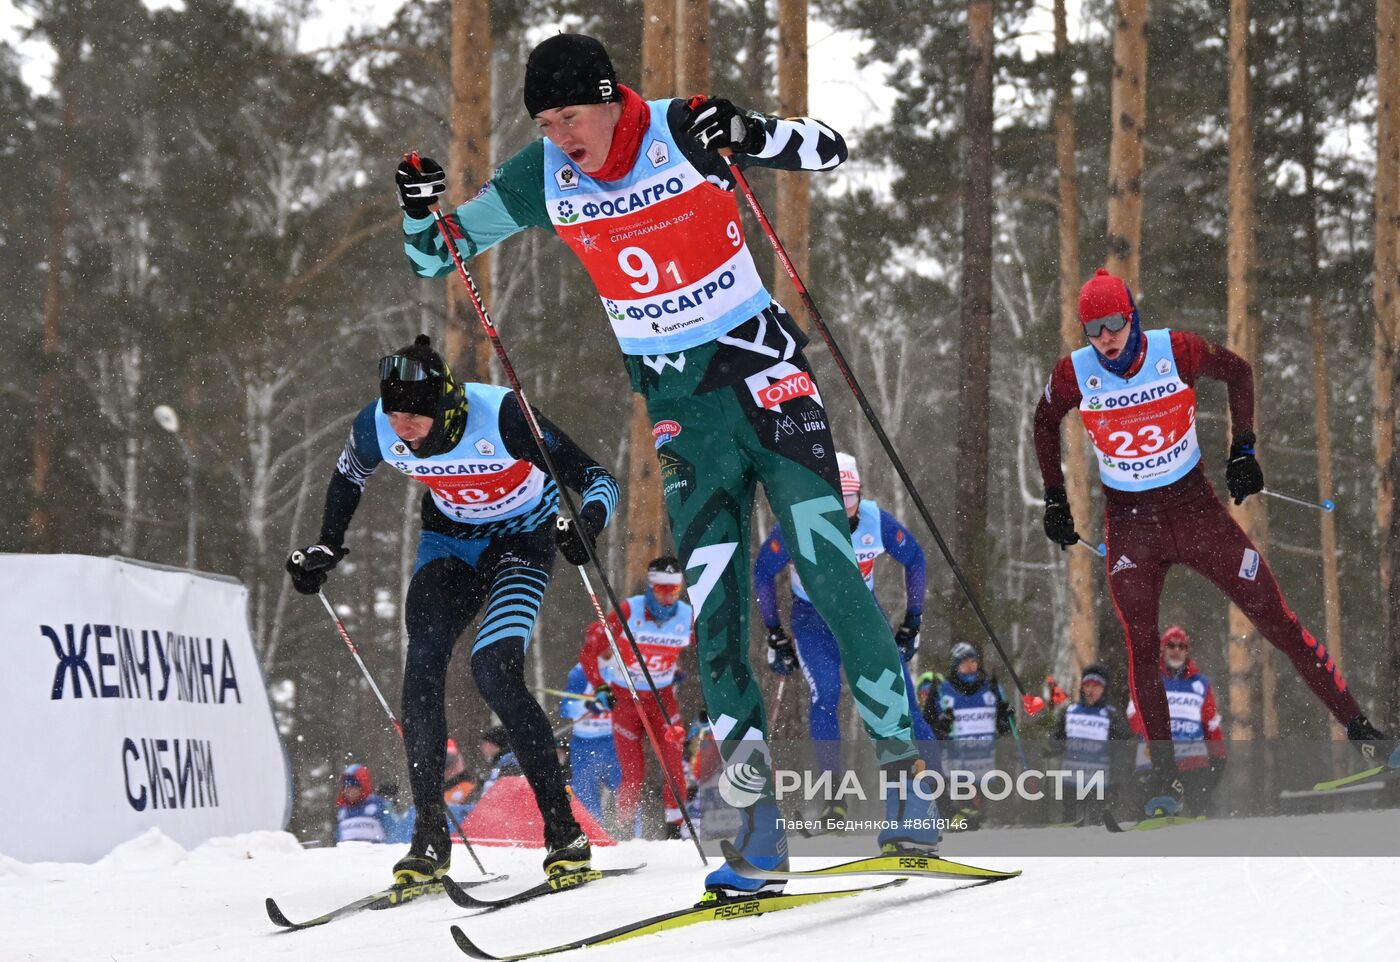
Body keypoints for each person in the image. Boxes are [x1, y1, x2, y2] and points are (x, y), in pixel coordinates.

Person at [395, 34, 935, 896]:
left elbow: (829, 147)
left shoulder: (682, 129)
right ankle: (753, 842)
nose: (561, 132)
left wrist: (752, 131)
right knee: (714, 624)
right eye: (544, 119)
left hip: (768, 388)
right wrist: (421, 214)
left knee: (827, 573)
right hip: (685, 418)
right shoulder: (543, 177)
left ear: (612, 98)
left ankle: (908, 781)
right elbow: (439, 257)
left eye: (572, 113)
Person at [1033, 268, 1390, 815]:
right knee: (1142, 648)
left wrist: (1242, 449)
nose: (1105, 337)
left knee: (1277, 619)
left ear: (1133, 316)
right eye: (1093, 328)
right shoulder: (1075, 374)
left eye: (1114, 323)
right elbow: (1043, 420)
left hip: (1195, 509)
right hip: (1131, 526)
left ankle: (1364, 732)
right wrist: (1055, 497)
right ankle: (1166, 782)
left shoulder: (1174, 350)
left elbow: (1239, 373)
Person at [285, 334, 619, 885]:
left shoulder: (503, 415)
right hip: (450, 546)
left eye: (415, 415)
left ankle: (563, 832)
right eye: (395, 414)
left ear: (445, 406)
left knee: (494, 669)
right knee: (422, 670)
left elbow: (596, 478)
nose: (403, 427)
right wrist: (326, 545)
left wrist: (589, 524)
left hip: (522, 543)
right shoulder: (376, 425)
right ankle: (429, 840)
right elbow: (348, 476)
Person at [754, 451, 941, 821]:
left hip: (862, 613)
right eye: (836, 499)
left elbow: (915, 558)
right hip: (813, 618)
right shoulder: (798, 522)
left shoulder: (875, 521)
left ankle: (934, 793)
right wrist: (774, 633)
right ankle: (834, 797)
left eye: (851, 498)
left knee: (901, 699)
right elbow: (762, 571)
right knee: (825, 694)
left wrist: (912, 622)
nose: (844, 508)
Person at [579, 556, 692, 838]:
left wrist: (676, 668)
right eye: (662, 590)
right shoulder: (629, 610)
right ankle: (625, 831)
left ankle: (675, 832)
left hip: (663, 698)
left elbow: (700, 652)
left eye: (674, 591)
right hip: (627, 699)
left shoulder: (687, 616)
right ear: (650, 587)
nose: (668, 598)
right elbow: (591, 651)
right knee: (632, 773)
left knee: (674, 765)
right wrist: (600, 687)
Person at [1126, 627, 1227, 815]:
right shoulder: (1148, 679)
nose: (1176, 650)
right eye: (1171, 645)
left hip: (1192, 762)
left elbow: (1211, 724)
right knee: (1150, 812)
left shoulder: (1201, 683)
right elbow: (1134, 716)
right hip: (1154, 760)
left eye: (1182, 646)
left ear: (1187, 651)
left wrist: (1218, 756)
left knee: (1203, 812)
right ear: (1163, 650)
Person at [927, 642, 1012, 828]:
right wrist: (941, 725)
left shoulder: (989, 688)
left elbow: (1004, 724)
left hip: (984, 765)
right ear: (955, 665)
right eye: (964, 663)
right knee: (966, 814)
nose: (970, 667)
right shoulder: (942, 690)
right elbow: (929, 726)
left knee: (981, 815)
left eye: (973, 662)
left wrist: (1005, 719)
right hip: (956, 765)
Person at [1051, 664, 1133, 824]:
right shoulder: (1070, 711)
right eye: (1087, 685)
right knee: (1069, 821)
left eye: (1095, 686)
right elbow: (1057, 739)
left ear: (1103, 689)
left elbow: (1122, 746)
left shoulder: (1110, 714)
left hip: (1098, 782)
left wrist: (1117, 778)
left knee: (1096, 823)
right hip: (1071, 780)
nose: (1090, 691)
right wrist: (1053, 747)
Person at [559, 660, 623, 824]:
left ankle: (637, 838)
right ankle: (593, 836)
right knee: (585, 797)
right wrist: (588, 704)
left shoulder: (623, 667)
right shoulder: (580, 671)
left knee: (626, 792)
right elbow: (566, 708)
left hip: (614, 743)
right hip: (584, 744)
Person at [336, 763, 392, 844]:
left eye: (353, 786)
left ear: (363, 786)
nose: (348, 790)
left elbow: (394, 832)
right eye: (346, 787)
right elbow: (339, 838)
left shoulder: (378, 805)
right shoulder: (343, 811)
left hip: (376, 853)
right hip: (350, 855)